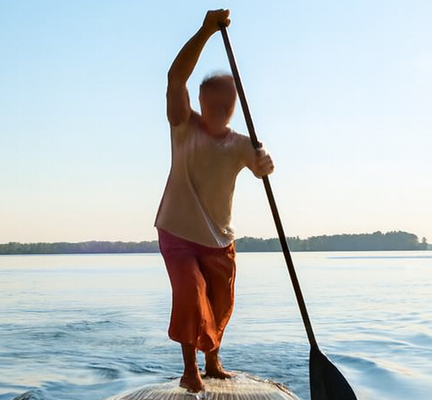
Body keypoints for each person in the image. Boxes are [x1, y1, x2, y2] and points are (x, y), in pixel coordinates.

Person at [154, 9, 275, 393]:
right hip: (177, 232)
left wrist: (266, 162)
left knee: (219, 305)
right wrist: (207, 30)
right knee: (191, 295)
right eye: (214, 102)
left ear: (234, 107)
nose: (221, 110)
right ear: (201, 101)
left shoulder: (241, 143)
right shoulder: (183, 124)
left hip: (221, 240)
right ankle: (190, 369)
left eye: (228, 105)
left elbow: (262, 167)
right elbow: (175, 78)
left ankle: (212, 359)